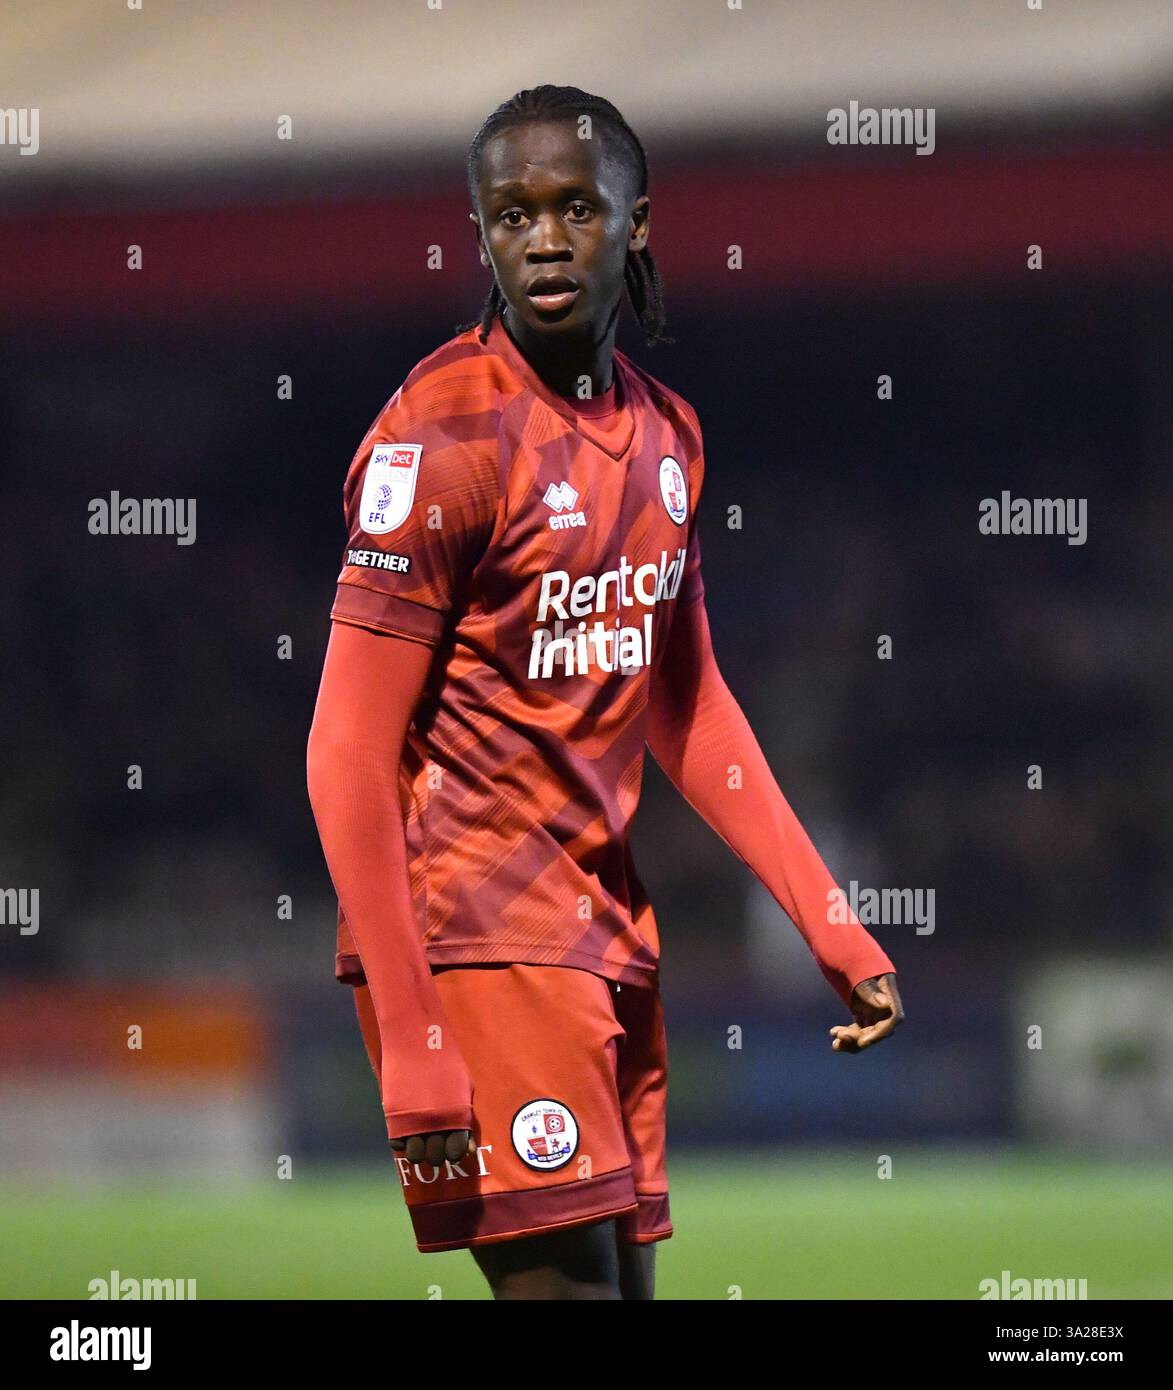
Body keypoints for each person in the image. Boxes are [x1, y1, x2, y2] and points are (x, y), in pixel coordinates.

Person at [306, 84, 903, 1302]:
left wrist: (830, 924)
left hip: (600, 938)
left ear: (636, 222)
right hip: (474, 940)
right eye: (510, 213)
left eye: (575, 206)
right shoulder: (440, 440)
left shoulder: (668, 438)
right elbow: (344, 753)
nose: (542, 237)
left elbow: (687, 707)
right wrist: (417, 1033)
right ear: (478, 234)